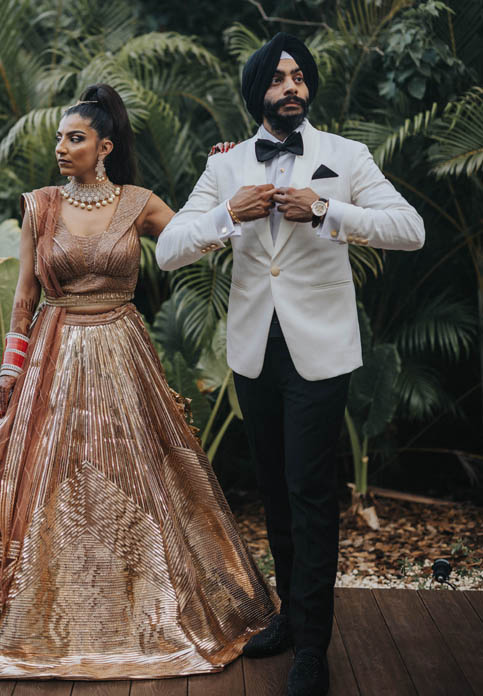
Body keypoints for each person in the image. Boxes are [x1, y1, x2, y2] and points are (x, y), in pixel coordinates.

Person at [0, 82, 276, 680]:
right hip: (50, 356)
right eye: (59, 137)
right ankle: (31, 610)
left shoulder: (139, 203)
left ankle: (141, 610)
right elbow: (25, 296)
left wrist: (224, 180)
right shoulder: (41, 204)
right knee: (27, 475)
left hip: (122, 355)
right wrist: (9, 365)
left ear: (104, 147)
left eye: (74, 138)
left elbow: (193, 245)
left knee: (140, 477)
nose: (61, 147)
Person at [155, 34, 425, 696]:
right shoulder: (225, 164)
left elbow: (409, 228)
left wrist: (326, 209)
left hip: (319, 348)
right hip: (254, 349)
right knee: (274, 489)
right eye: (278, 78)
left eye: (299, 76)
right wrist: (227, 214)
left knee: (308, 492)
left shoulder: (344, 155)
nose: (292, 86)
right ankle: (285, 616)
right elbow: (166, 250)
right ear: (257, 92)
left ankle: (311, 646)